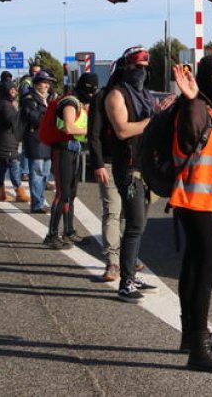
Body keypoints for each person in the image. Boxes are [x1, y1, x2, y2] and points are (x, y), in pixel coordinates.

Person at [170, 57, 212, 373]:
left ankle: (190, 336)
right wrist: (190, 98)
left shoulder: (207, 109)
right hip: (196, 201)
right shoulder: (197, 108)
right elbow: (186, 140)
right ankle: (199, 349)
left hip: (200, 202)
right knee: (205, 272)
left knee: (194, 268)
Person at [105, 46, 171, 301]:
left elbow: (154, 128)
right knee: (134, 224)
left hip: (146, 166)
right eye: (136, 68)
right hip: (128, 167)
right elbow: (122, 130)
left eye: (145, 68)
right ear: (126, 68)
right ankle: (125, 282)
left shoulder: (145, 95)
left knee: (140, 224)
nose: (141, 72)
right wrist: (155, 117)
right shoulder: (116, 95)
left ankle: (130, 271)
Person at [44, 73, 96, 250]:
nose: (91, 94)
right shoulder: (70, 102)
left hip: (74, 149)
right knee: (62, 193)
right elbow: (68, 126)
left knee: (71, 193)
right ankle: (51, 234)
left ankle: (68, 231)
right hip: (63, 150)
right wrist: (90, 130)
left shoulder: (79, 102)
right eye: (90, 90)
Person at [86, 66, 123, 282]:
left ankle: (127, 256)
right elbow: (94, 134)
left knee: (130, 216)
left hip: (132, 164)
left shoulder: (136, 95)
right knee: (112, 212)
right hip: (108, 163)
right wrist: (98, 163)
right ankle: (113, 261)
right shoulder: (102, 97)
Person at [20, 70, 55, 214]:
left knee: (45, 174)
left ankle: (40, 201)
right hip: (35, 140)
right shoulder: (30, 99)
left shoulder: (48, 99)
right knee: (37, 173)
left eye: (48, 83)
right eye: (43, 82)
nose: (46, 86)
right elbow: (33, 117)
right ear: (36, 84)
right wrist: (48, 116)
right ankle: (36, 204)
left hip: (47, 140)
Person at [0, 80, 28, 203]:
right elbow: (12, 121)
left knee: (1, 169)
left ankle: (0, 194)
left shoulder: (2, 103)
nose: (14, 92)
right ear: (5, 91)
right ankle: (20, 193)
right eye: (11, 90)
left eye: (14, 90)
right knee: (14, 167)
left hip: (2, 142)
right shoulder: (6, 105)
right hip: (8, 142)